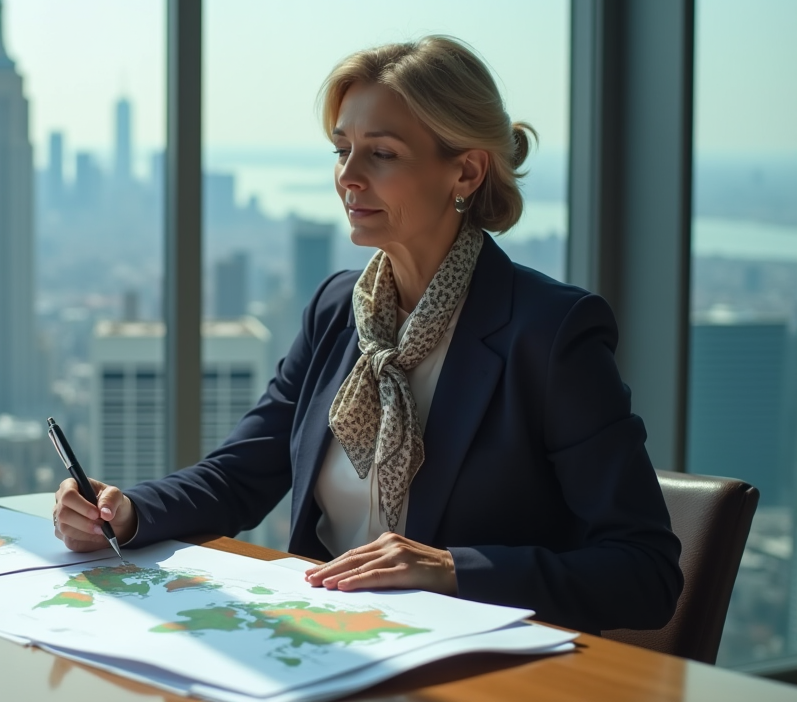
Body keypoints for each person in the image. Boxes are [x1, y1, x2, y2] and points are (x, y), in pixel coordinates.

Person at [52, 36, 683, 634]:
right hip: (326, 642)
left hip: (475, 674)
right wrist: (125, 511)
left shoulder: (549, 333)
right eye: (341, 149)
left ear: (465, 173)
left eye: (380, 153)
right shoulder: (338, 309)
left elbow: (645, 571)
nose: (349, 176)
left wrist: (451, 569)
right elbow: (241, 476)